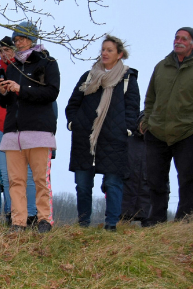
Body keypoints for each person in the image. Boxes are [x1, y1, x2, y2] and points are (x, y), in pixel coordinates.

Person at [66, 35, 140, 231]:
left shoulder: (127, 79)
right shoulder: (89, 76)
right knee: (82, 185)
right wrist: (74, 123)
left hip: (114, 139)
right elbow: (73, 103)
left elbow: (132, 108)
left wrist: (127, 129)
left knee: (113, 183)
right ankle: (83, 225)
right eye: (103, 49)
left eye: (109, 50)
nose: (104, 53)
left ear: (120, 54)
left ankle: (111, 225)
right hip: (85, 138)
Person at [141, 27, 193, 226]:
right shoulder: (161, 66)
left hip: (188, 132)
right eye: (176, 37)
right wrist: (146, 123)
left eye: (184, 38)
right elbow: (150, 98)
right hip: (156, 132)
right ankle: (155, 220)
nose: (178, 41)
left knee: (188, 180)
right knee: (155, 180)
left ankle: (185, 222)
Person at [0, 21, 60, 233]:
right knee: (15, 181)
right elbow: (6, 104)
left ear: (33, 39)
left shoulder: (48, 62)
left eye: (22, 38)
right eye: (16, 40)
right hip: (13, 132)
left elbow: (52, 93)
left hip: (39, 131)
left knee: (41, 180)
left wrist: (21, 89)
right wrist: (4, 92)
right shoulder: (12, 67)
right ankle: (18, 222)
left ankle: (44, 220)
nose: (19, 43)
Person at [0, 36, 39, 225]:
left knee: (28, 174)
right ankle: (12, 214)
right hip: (0, 130)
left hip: (23, 128)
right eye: (1, 51)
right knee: (7, 176)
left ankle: (31, 214)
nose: (4, 54)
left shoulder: (24, 70)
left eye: (8, 49)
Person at [120, 111, 152, 222]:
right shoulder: (126, 140)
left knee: (150, 235)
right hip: (125, 196)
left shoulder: (157, 146)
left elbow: (162, 173)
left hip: (146, 197)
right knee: (118, 233)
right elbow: (115, 164)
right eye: (143, 123)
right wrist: (106, 187)